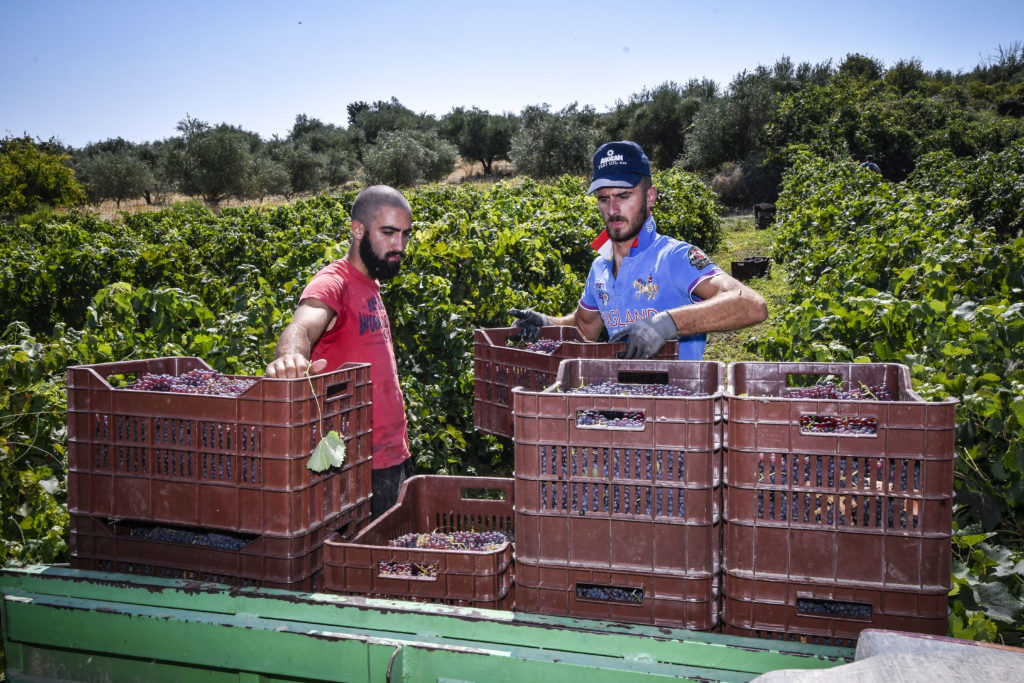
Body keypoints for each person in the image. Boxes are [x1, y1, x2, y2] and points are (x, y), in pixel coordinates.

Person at [511, 140, 767, 360]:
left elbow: (752, 304)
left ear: (650, 196)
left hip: (677, 408)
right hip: (623, 403)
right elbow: (584, 327)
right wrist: (546, 323)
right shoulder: (600, 266)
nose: (612, 210)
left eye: (624, 196)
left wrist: (667, 324)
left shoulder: (673, 256)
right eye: (603, 198)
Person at [266, 185, 414, 519]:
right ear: (358, 229)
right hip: (357, 462)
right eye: (389, 233)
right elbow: (302, 325)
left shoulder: (371, 283)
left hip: (393, 452)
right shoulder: (333, 282)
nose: (399, 246)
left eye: (405, 235)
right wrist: (290, 355)